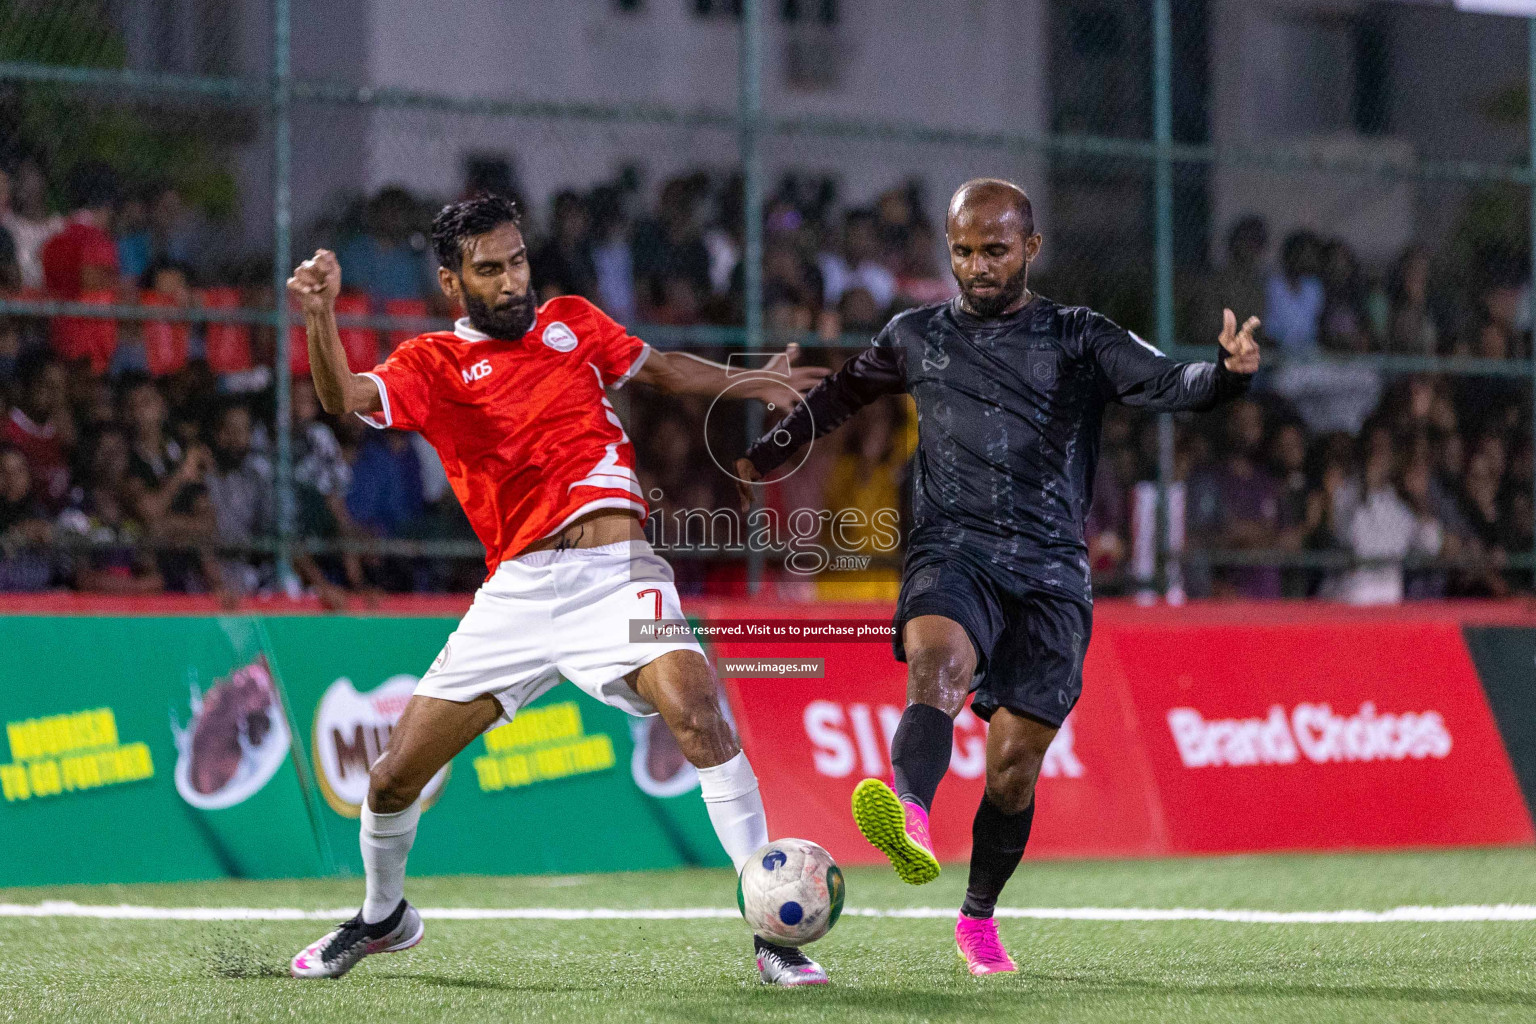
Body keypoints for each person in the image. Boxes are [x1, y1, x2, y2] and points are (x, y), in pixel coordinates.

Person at [284, 193, 831, 985]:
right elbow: (342, 398)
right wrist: (321, 317)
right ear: (452, 283)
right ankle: (382, 916)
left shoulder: (572, 320)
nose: (512, 282)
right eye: (490, 269)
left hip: (620, 573)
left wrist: (750, 385)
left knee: (697, 705)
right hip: (518, 592)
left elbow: (663, 368)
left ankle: (771, 932)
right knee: (393, 776)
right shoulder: (431, 364)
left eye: (517, 261)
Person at [735, 178, 1260, 976]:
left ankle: (977, 918)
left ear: (1031, 248)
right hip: (954, 551)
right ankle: (907, 812)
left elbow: (1163, 383)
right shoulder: (916, 334)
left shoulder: (1078, 335)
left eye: (994, 250)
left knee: (1013, 766)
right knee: (937, 664)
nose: (977, 267)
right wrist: (767, 451)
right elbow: (841, 395)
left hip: (1051, 573)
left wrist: (1226, 375)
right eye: (963, 251)